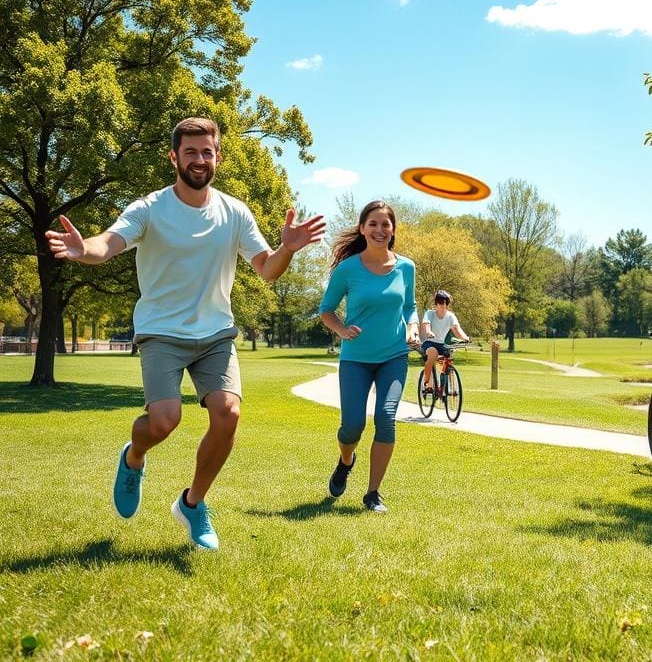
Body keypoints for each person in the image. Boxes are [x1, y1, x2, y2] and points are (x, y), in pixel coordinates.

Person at [45, 117, 325, 550]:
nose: (199, 159)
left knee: (228, 414)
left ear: (218, 157)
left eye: (207, 152)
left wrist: (286, 247)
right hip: (161, 332)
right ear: (174, 156)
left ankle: (193, 505)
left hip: (215, 334)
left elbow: (267, 269)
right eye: (190, 152)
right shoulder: (149, 208)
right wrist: (87, 250)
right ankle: (133, 457)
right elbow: (110, 243)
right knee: (163, 421)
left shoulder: (234, 212)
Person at [319, 200, 419, 513]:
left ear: (393, 230)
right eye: (373, 224)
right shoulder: (348, 269)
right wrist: (342, 330)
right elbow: (326, 310)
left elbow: (409, 307)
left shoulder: (406, 267)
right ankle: (345, 461)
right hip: (356, 359)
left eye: (385, 224)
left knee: (387, 419)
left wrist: (413, 328)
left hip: (393, 356)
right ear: (362, 228)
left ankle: (373, 494)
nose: (379, 230)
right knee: (352, 427)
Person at [419, 289, 470, 394]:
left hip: (442, 344)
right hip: (429, 343)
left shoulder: (450, 316)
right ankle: (427, 384)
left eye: (446, 305)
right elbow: (426, 325)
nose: (444, 308)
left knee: (448, 358)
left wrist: (465, 338)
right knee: (433, 355)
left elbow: (457, 329)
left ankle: (450, 388)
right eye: (442, 305)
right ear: (436, 304)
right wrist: (429, 332)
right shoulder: (430, 314)